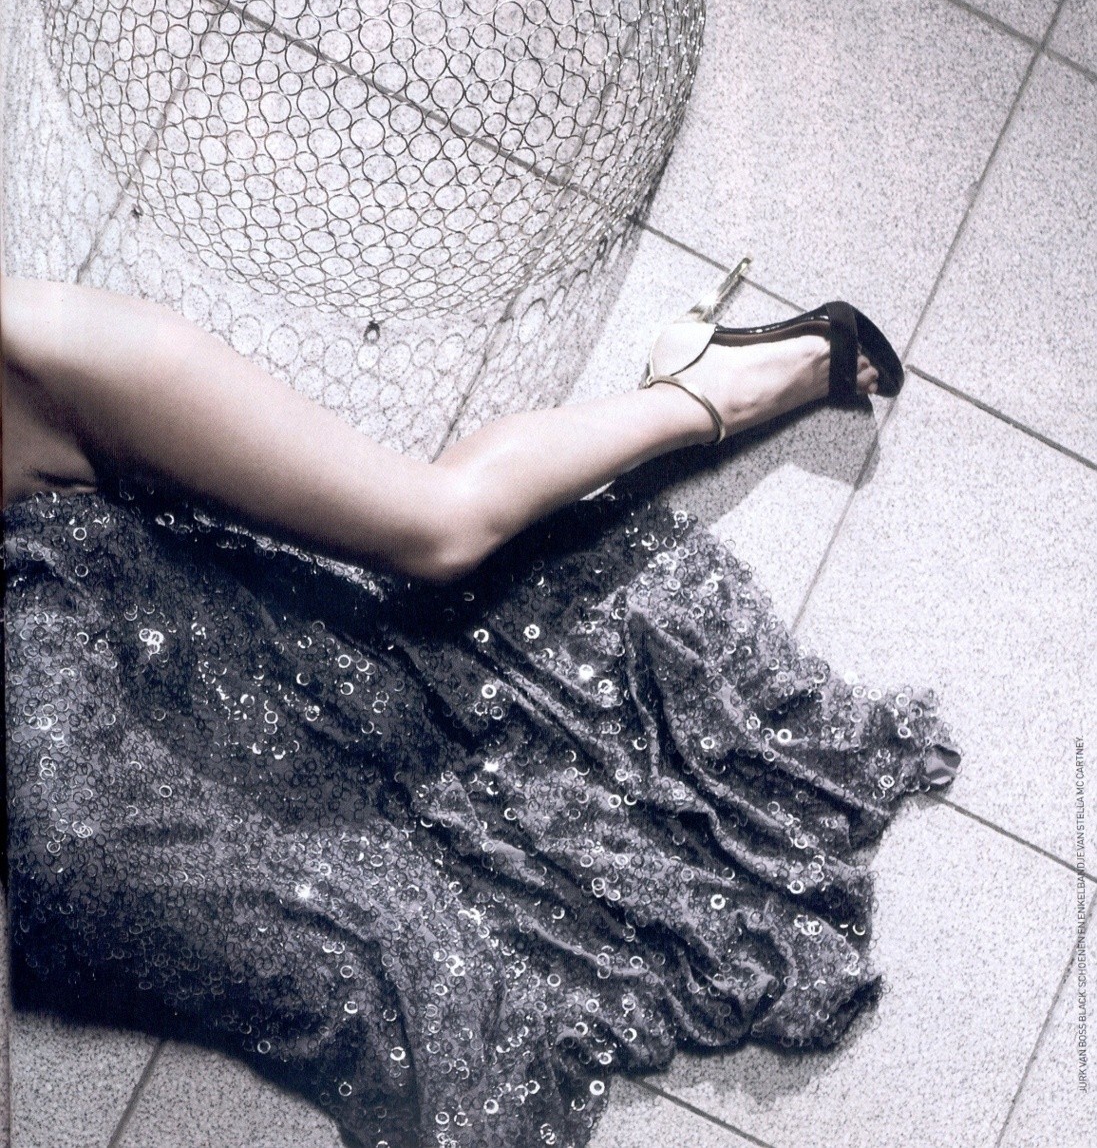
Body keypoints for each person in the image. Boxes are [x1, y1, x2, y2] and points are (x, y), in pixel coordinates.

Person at [2, 272, 958, 1148]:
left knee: (442, 529)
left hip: (78, 469)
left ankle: (700, 389)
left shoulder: (40, 345)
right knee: (86, 878)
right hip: (87, 640)